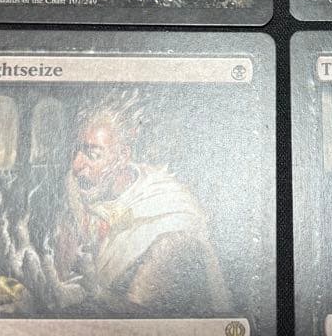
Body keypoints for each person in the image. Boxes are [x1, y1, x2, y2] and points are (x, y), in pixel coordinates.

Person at [51, 94, 229, 315]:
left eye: (93, 154)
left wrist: (95, 292)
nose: (77, 164)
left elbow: (140, 320)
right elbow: (61, 281)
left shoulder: (167, 221)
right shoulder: (79, 192)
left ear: (123, 156)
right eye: (75, 152)